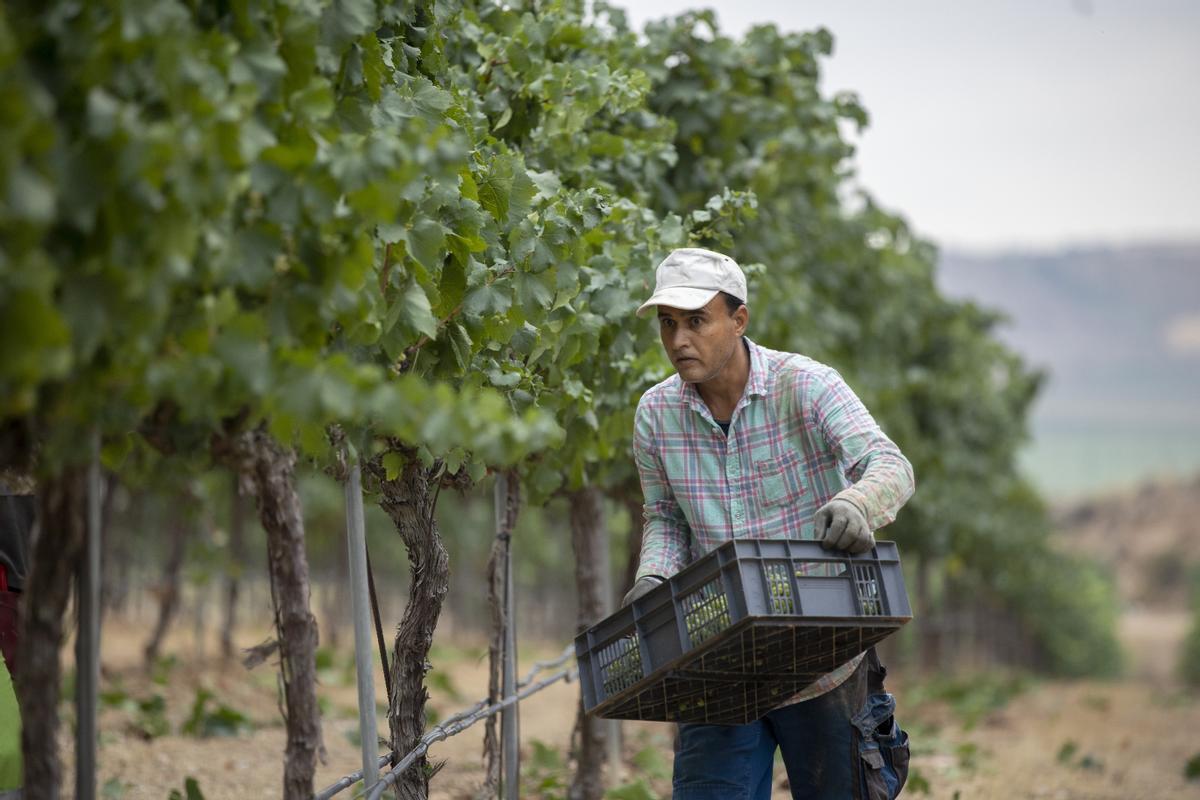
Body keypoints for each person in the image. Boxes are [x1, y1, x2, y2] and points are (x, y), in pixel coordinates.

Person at [624, 248, 915, 800]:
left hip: (822, 658)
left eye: (695, 321)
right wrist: (654, 579)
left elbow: (890, 464)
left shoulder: (806, 386)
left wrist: (858, 504)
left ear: (739, 320)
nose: (678, 340)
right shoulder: (655, 416)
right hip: (719, 662)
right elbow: (665, 518)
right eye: (667, 324)